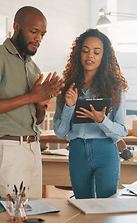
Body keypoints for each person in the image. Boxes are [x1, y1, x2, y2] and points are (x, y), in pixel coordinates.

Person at [0, 6, 64, 199]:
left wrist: (41, 103)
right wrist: (32, 96)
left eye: (42, 34)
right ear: (16, 26)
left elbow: (37, 119)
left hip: (32, 148)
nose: (38, 38)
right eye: (33, 31)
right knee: (13, 214)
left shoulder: (33, 67)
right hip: (7, 149)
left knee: (35, 213)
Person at [53, 28, 128, 199]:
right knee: (82, 206)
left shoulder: (115, 87)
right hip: (77, 151)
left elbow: (122, 131)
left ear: (104, 56)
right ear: (78, 53)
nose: (90, 56)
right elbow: (60, 132)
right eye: (85, 50)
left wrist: (102, 121)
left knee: (107, 207)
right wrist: (69, 107)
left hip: (106, 151)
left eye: (96, 52)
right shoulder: (67, 87)